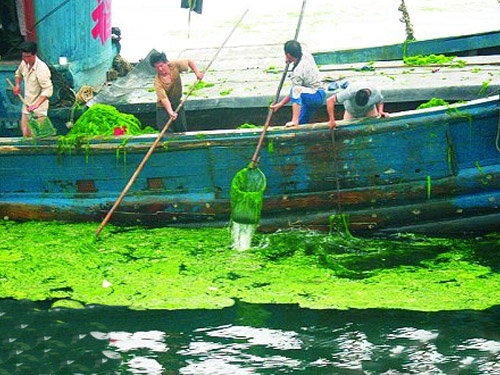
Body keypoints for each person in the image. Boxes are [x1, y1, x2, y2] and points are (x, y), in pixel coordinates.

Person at [270, 40, 326, 127]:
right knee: (302, 121)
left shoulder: (297, 72)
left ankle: (294, 120)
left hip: (315, 95)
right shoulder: (306, 55)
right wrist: (280, 104)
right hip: (311, 94)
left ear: (288, 54)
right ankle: (298, 124)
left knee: (295, 89)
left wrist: (281, 104)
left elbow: (295, 93)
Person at [149, 51, 204, 133]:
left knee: (181, 129)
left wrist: (197, 73)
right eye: (157, 67)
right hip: (163, 108)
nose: (160, 69)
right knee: (166, 132)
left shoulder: (174, 65)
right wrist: (170, 112)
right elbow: (164, 98)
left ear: (166, 63)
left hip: (177, 103)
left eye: (161, 65)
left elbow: (189, 61)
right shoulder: (157, 81)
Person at [13, 41, 53, 137]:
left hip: (39, 109)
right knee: (26, 134)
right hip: (26, 105)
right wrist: (17, 85)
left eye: (28, 57)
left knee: (36, 136)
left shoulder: (42, 69)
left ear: (35, 54)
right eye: (24, 56)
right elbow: (18, 74)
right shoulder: (24, 63)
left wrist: (36, 105)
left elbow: (48, 89)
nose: (26, 59)